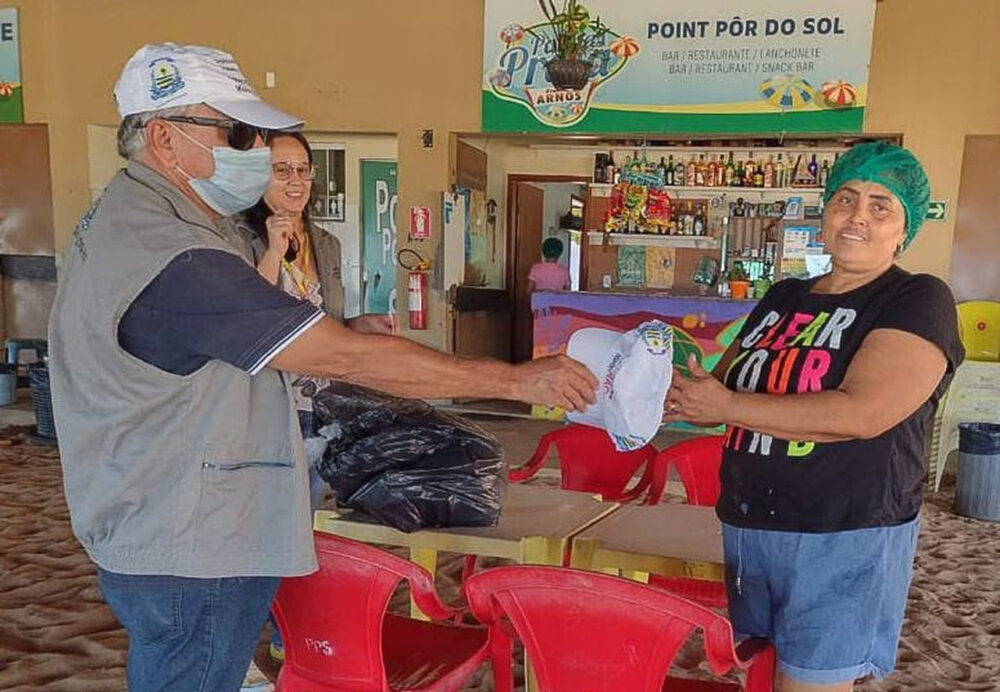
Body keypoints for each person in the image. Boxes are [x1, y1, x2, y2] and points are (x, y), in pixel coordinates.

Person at [48, 43, 596, 692]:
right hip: (188, 538)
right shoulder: (171, 251)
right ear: (164, 138)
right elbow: (334, 355)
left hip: (164, 510)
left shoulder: (159, 217)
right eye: (237, 132)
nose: (254, 152)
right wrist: (514, 380)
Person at [665, 141, 964, 692]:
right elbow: (724, 391)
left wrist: (725, 406)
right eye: (845, 199)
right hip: (751, 524)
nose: (858, 217)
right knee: (758, 672)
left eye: (881, 206)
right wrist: (663, 381)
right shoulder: (784, 296)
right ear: (824, 212)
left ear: (905, 228)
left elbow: (863, 413)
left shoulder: (917, 298)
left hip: (845, 530)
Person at [238, 130, 392, 508]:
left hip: (322, 401)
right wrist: (274, 250)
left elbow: (323, 320)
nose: (295, 180)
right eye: (281, 169)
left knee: (313, 507)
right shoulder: (239, 237)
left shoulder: (325, 242)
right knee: (271, 509)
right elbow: (244, 317)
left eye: (303, 170)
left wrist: (357, 325)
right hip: (269, 404)